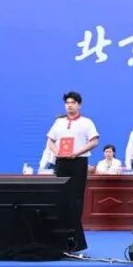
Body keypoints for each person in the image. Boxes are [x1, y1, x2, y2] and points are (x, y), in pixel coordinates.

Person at [46, 91, 99, 252]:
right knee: (61, 197)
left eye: (73, 102)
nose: (69, 105)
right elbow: (50, 141)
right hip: (61, 161)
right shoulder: (59, 122)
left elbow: (94, 141)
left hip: (78, 162)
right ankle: (60, 237)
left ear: (79, 105)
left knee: (76, 199)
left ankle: (75, 239)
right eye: (67, 103)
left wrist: (77, 152)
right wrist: (57, 151)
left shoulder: (86, 122)